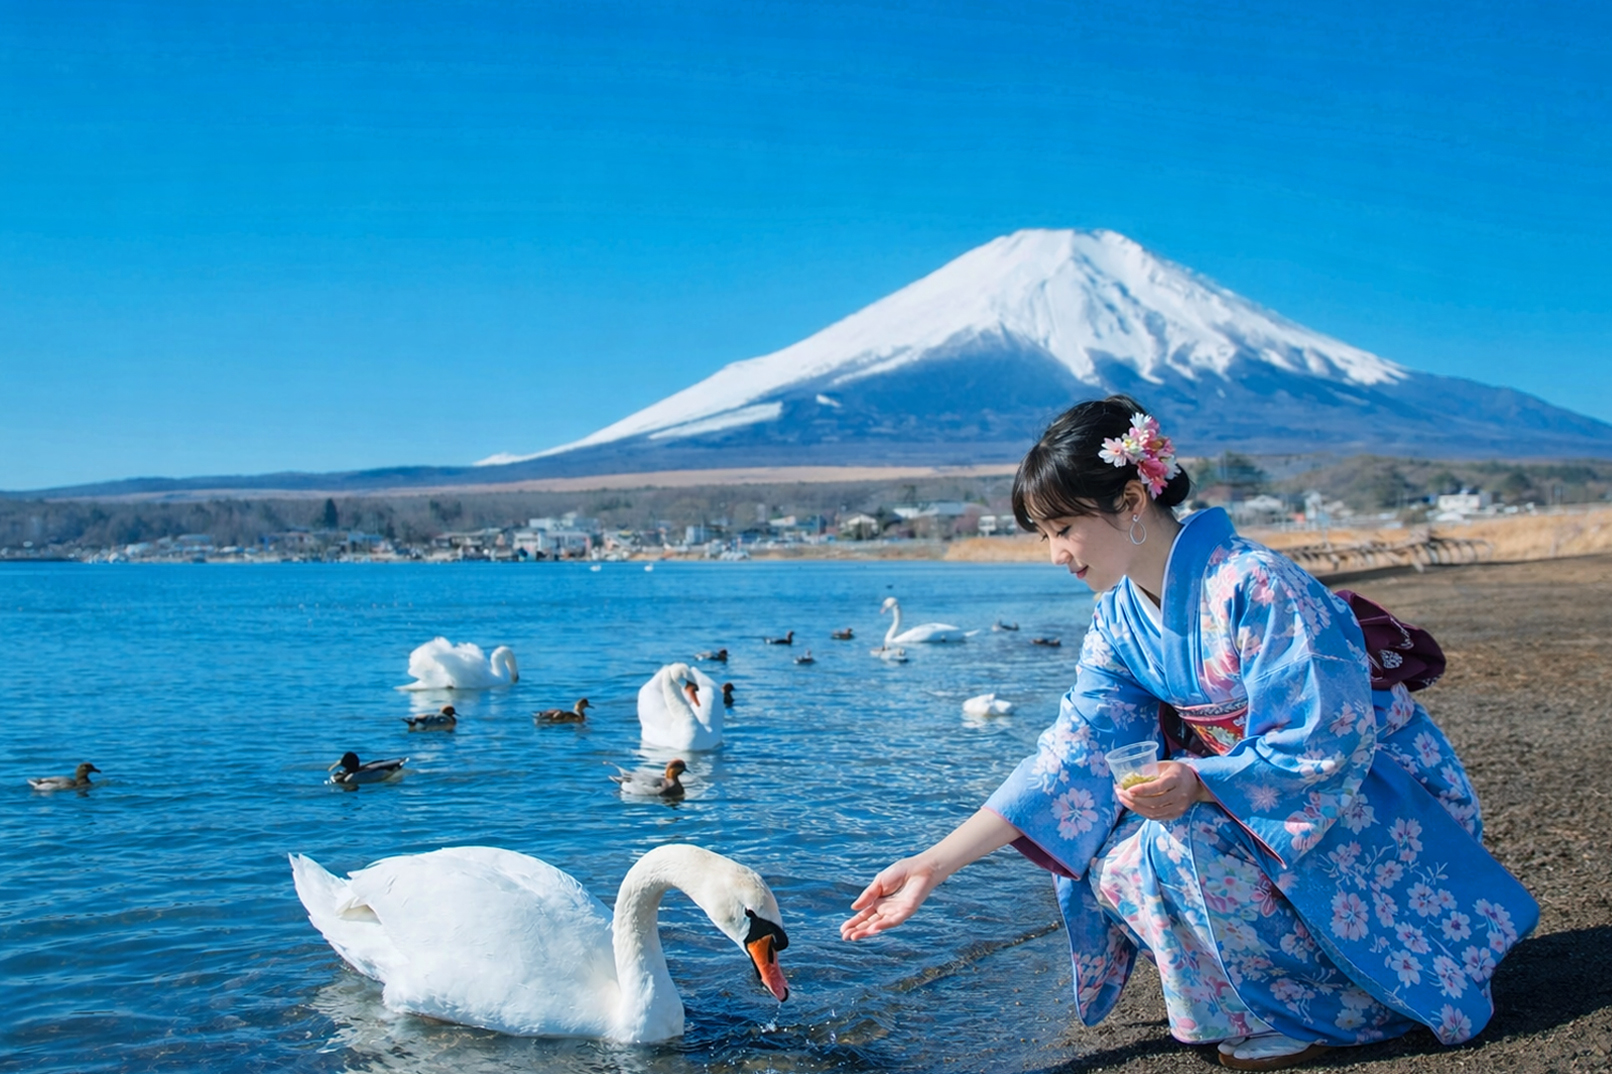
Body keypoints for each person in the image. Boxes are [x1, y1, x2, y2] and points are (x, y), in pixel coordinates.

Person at [840, 396, 1537, 1071]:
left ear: (1132, 502)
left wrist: (1201, 780)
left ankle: (1351, 1004)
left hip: (1359, 798)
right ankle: (1254, 1005)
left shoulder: (1256, 583)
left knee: (1178, 843)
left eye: (1063, 529)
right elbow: (1067, 757)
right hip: (1252, 795)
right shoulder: (1118, 620)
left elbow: (1325, 738)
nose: (1055, 554)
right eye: (1043, 536)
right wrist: (933, 865)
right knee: (1114, 861)